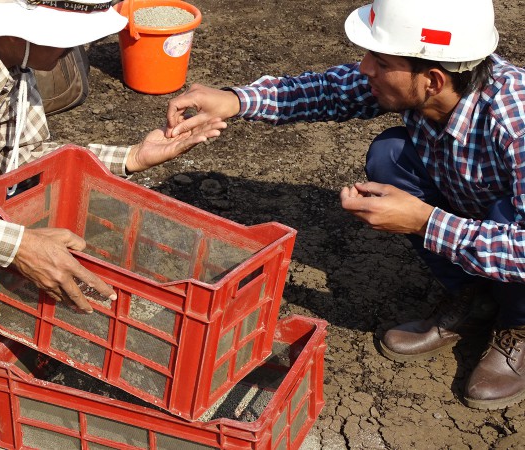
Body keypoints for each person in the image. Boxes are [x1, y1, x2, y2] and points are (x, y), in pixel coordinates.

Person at [165, 0, 525, 411]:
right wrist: (237, 99)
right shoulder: (430, 83)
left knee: (508, 216)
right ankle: (475, 296)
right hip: (478, 217)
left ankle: (518, 324)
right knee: (391, 155)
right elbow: (331, 91)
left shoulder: (516, 120)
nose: (365, 68)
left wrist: (424, 221)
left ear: (433, 79)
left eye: (380, 59)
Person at [0, 0, 226, 448]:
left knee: (23, 207)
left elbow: (19, 157)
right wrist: (15, 245)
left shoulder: (11, 61)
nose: (82, 46)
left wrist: (129, 157)